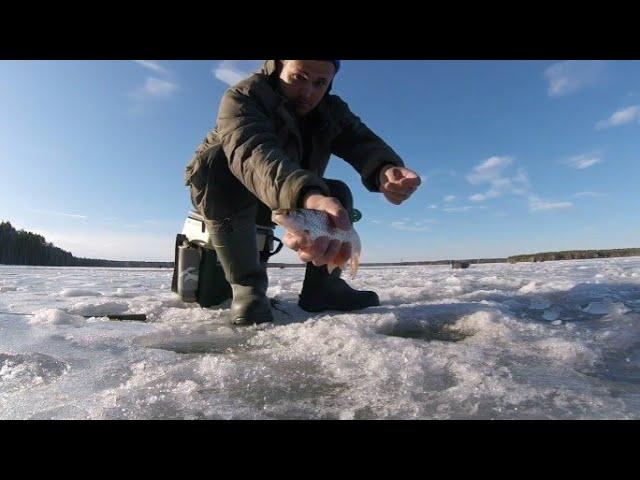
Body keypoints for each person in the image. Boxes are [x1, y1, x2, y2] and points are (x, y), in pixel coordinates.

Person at [185, 60, 421, 325]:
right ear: (278, 67)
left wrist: (385, 169)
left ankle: (323, 288)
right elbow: (254, 155)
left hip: (287, 199)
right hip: (229, 201)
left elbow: (361, 141)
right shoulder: (243, 97)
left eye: (320, 83)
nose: (308, 92)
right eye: (299, 77)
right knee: (217, 162)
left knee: (337, 191)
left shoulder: (331, 110)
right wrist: (308, 196)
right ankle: (247, 288)